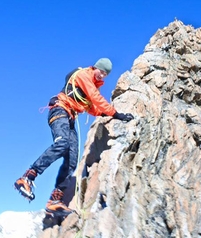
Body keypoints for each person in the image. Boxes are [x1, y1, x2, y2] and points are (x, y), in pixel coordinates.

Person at [14, 58, 134, 219]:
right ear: (96, 68)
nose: (103, 76)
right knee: (62, 143)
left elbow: (92, 108)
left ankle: (55, 201)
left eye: (106, 75)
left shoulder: (89, 85)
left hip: (69, 117)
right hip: (59, 111)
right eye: (102, 72)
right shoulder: (84, 75)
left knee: (72, 159)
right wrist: (116, 113)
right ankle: (27, 178)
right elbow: (95, 97)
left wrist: (109, 114)